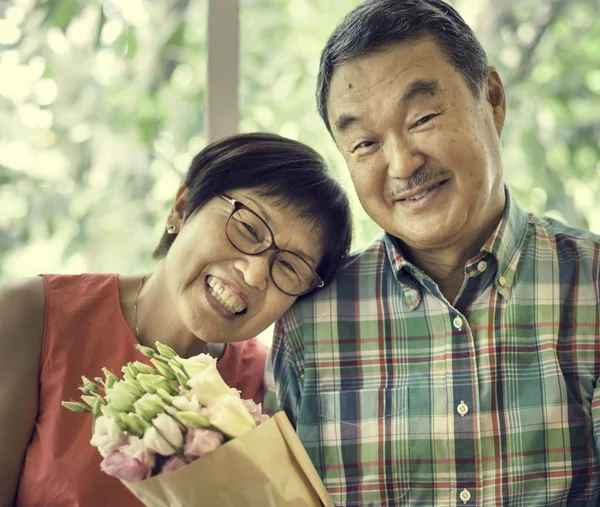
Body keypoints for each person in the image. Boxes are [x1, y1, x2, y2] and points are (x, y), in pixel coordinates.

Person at [266, 1, 600, 505]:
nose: (402, 164)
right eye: (364, 144)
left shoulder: (592, 284)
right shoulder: (307, 325)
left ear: (491, 99)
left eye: (422, 117)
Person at [0, 132, 353, 507]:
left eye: (288, 266)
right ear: (181, 209)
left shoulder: (269, 389)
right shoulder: (31, 318)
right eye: (248, 228)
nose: (254, 274)